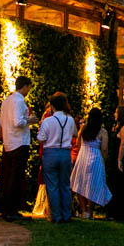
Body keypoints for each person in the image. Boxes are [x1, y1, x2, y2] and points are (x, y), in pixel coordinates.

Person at [0, 76, 33, 221]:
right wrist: (30, 120)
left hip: (8, 142)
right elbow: (18, 122)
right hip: (19, 142)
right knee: (16, 176)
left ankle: (5, 207)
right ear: (24, 86)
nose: (29, 90)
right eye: (29, 87)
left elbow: (1, 121)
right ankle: (12, 209)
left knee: (8, 175)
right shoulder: (19, 101)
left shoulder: (6, 101)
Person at [37, 92, 76, 225]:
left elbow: (41, 138)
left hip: (50, 153)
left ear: (52, 106)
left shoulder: (48, 121)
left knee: (52, 185)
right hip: (65, 153)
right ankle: (67, 214)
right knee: (65, 185)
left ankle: (56, 216)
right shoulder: (70, 119)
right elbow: (75, 133)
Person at [71, 107, 112, 219]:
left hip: (83, 156)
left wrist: (80, 154)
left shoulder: (83, 129)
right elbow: (104, 148)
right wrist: (103, 159)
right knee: (93, 184)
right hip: (96, 157)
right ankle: (90, 211)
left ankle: (84, 210)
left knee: (80, 183)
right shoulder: (102, 131)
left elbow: (78, 143)